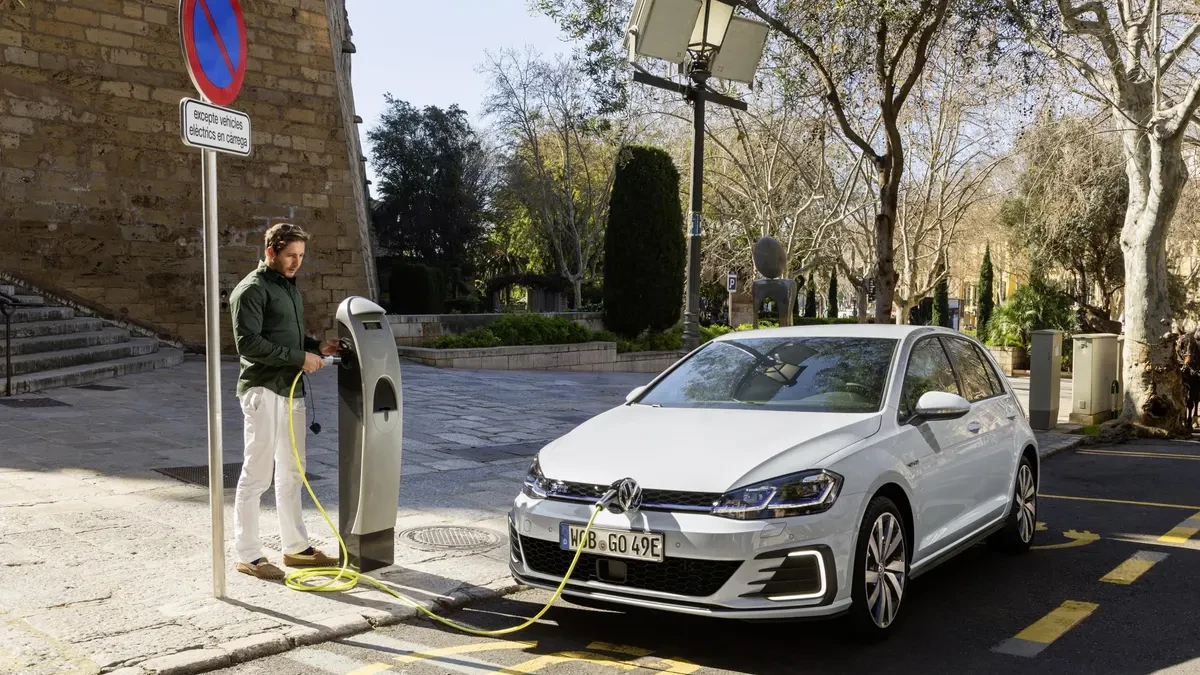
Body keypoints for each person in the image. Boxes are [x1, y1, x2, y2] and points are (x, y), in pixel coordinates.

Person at [228, 222, 340, 580]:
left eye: (301, 256)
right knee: (257, 474)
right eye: (290, 255)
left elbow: (287, 334)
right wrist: (298, 358)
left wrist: (316, 346)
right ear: (271, 252)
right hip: (262, 390)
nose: (296, 262)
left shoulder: (288, 289)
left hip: (291, 389)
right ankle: (248, 554)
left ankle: (296, 548)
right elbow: (249, 344)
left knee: (292, 472)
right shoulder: (250, 290)